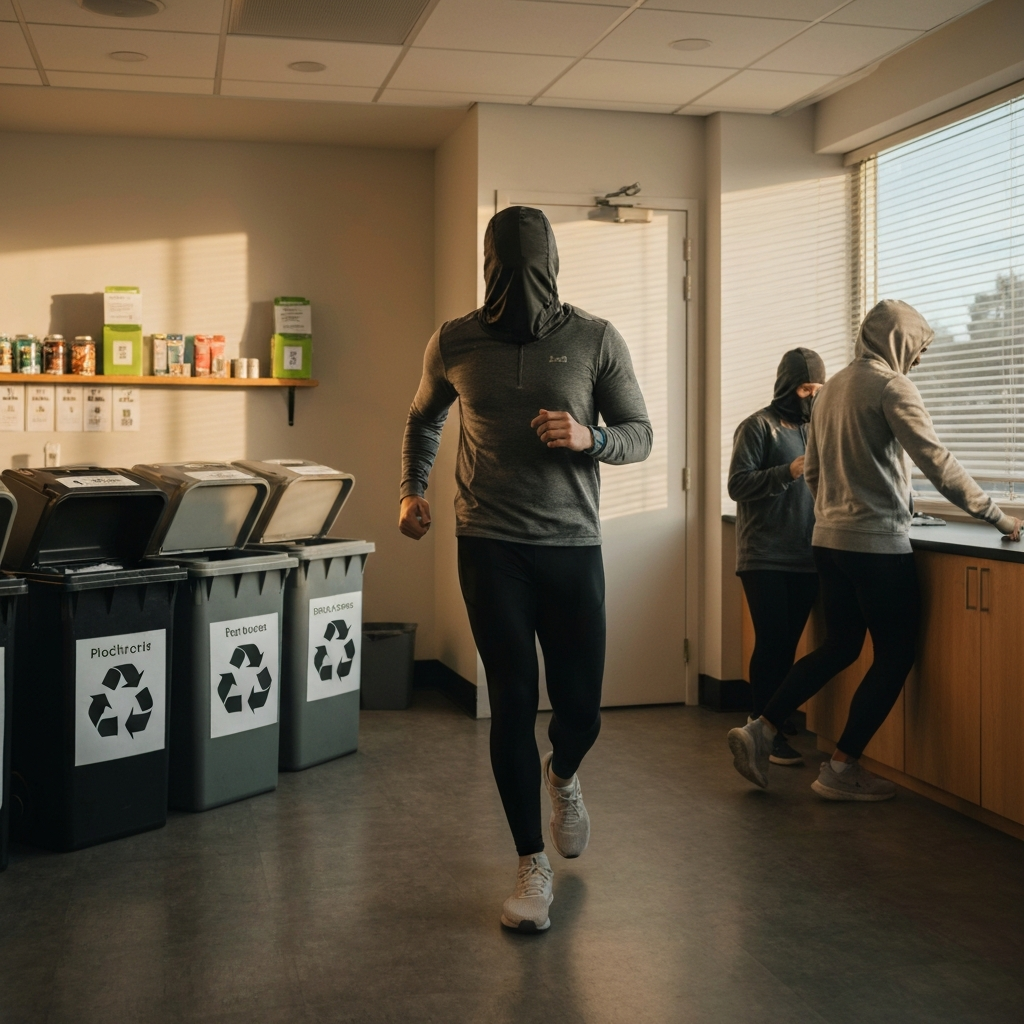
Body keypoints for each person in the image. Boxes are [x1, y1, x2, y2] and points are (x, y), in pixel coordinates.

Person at [399, 206, 652, 932]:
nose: (518, 283)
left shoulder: (595, 339)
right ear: (488, 268)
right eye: (504, 270)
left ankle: (563, 775)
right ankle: (529, 864)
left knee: (581, 711)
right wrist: (412, 490)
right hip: (488, 542)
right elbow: (424, 419)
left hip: (572, 545)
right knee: (512, 700)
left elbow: (640, 432)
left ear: (553, 265)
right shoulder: (455, 341)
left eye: (530, 269)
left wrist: (588, 436)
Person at [728, 299, 1022, 801]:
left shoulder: (835, 386)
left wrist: (833, 516)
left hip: (827, 542)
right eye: (919, 347)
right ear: (898, 341)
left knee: (840, 646)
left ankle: (762, 727)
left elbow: (815, 469)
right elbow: (937, 462)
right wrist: (997, 516)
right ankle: (841, 770)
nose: (921, 359)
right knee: (895, 653)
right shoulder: (891, 386)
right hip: (876, 545)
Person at [728, 348, 826, 768]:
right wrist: (787, 472)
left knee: (788, 644)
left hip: (807, 554)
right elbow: (737, 485)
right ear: (787, 386)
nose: (811, 397)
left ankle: (773, 719)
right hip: (763, 554)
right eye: (805, 388)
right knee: (771, 643)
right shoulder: (757, 427)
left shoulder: (819, 428)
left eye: (818, 390)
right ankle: (759, 727)